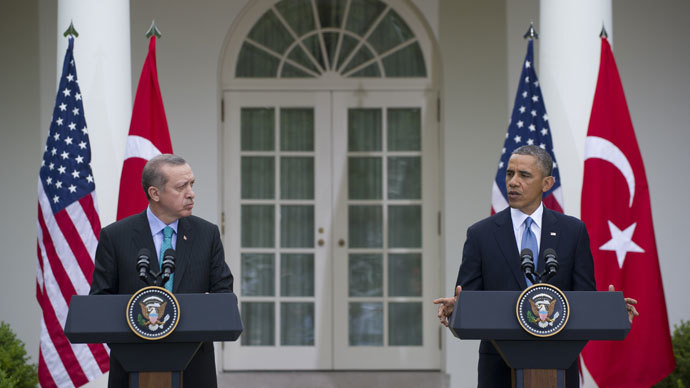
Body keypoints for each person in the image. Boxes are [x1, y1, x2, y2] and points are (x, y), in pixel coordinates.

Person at [433, 145, 638, 388]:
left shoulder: (572, 232)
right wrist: (457, 307)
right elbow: (468, 297)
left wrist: (609, 308)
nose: (513, 182)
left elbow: (584, 296)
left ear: (547, 183)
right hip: (499, 368)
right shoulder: (481, 234)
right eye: (510, 174)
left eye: (524, 175)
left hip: (558, 363)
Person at [90, 154, 233, 388]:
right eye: (181, 187)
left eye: (191, 184)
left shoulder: (207, 235)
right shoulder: (115, 237)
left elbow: (223, 295)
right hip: (132, 364)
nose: (191, 193)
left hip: (194, 366)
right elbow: (100, 301)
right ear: (155, 193)